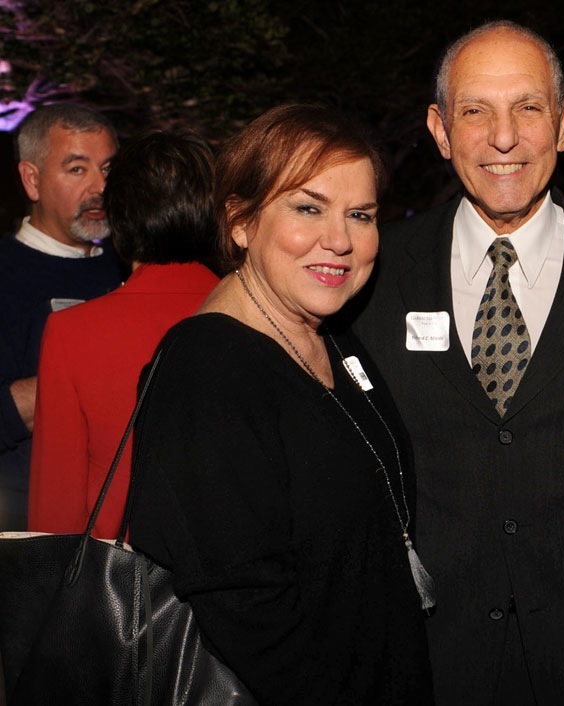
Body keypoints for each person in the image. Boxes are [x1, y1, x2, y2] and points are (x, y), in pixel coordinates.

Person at [345, 19, 564, 706]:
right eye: (476, 111)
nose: (504, 138)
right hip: (429, 660)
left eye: (528, 107)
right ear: (441, 130)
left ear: (563, 123)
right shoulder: (372, 274)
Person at [128, 104, 433, 705]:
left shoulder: (332, 334)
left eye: (361, 214)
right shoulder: (207, 368)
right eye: (308, 208)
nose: (340, 240)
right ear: (241, 221)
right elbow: (243, 610)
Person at [28, 129, 220, 538]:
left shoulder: (72, 332)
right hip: (242, 582)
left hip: (120, 586)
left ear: (119, 217)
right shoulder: (266, 317)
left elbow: (55, 511)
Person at [0, 103, 124, 530]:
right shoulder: (5, 276)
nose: (100, 188)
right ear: (31, 179)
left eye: (108, 168)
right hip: (29, 540)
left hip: (127, 534)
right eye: (77, 169)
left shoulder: (134, 269)